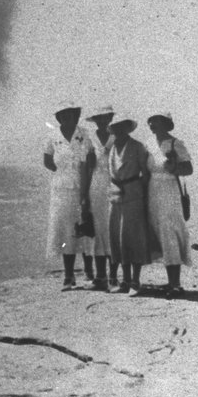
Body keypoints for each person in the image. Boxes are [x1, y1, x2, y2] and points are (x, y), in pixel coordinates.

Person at [42, 101, 94, 291]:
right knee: (66, 232)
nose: (67, 118)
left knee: (85, 228)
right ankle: (69, 275)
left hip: (82, 184)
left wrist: (85, 187)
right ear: (59, 117)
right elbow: (47, 161)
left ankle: (89, 272)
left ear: (76, 115)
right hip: (61, 189)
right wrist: (62, 172)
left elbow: (90, 160)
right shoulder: (52, 136)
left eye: (71, 114)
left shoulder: (85, 134)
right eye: (63, 115)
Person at [145, 111, 193, 298]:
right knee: (157, 232)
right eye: (150, 121)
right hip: (152, 191)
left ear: (166, 123)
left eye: (156, 121)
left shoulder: (175, 143)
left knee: (170, 231)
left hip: (169, 190)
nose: (153, 125)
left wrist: (174, 167)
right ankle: (170, 280)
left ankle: (175, 283)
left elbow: (188, 168)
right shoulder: (148, 144)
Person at [107, 114, 151, 294]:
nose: (119, 130)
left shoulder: (137, 147)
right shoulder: (112, 147)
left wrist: (141, 193)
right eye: (116, 127)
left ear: (127, 128)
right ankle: (124, 280)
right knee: (118, 238)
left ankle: (135, 281)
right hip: (115, 195)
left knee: (134, 238)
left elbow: (145, 173)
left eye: (122, 126)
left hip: (133, 194)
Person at [84, 105, 116, 291]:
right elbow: (88, 167)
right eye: (99, 118)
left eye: (105, 117)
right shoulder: (90, 139)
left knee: (112, 229)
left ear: (110, 118)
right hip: (96, 183)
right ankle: (100, 276)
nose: (102, 121)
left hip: (113, 182)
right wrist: (85, 195)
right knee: (97, 229)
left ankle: (113, 276)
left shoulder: (117, 137)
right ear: (94, 120)